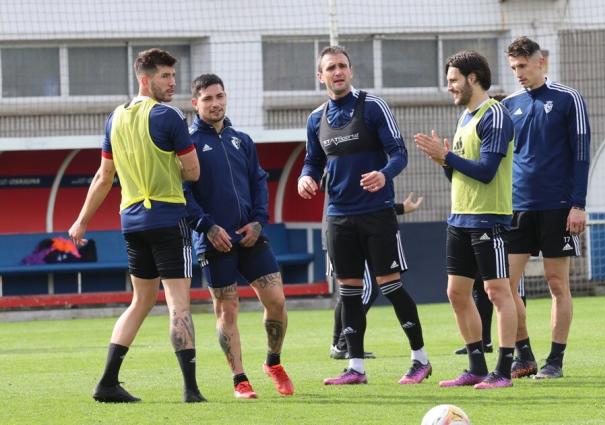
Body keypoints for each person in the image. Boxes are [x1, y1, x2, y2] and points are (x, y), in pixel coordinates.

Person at [68, 48, 204, 403]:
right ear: (146, 79)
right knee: (179, 305)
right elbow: (192, 171)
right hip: (168, 218)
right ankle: (190, 390)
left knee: (140, 301)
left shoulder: (114, 119)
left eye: (173, 76)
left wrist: (81, 221)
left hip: (131, 223)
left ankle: (108, 382)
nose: (172, 82)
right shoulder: (168, 116)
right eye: (165, 76)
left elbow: (103, 176)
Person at [298, 45, 431, 385]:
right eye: (331, 68)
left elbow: (399, 153)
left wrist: (384, 174)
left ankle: (420, 360)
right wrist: (305, 177)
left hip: (376, 214)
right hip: (338, 217)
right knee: (349, 292)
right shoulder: (316, 119)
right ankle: (355, 367)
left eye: (342, 66)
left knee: (390, 286)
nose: (337, 72)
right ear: (320, 76)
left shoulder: (372, 106)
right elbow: (313, 160)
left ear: (351, 71)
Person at [184, 74, 294, 399]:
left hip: (250, 236)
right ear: (195, 104)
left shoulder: (241, 140)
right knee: (227, 309)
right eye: (208, 99)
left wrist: (259, 221)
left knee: (276, 301)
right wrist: (208, 227)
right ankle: (239, 379)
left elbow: (259, 182)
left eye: (220, 96)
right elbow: (182, 195)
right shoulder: (187, 145)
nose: (215, 103)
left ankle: (273, 362)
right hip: (213, 242)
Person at [414, 49, 517, 389]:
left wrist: (448, 157)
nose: (450, 87)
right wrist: (445, 162)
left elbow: (486, 172)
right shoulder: (465, 119)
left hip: (488, 219)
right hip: (460, 218)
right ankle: (475, 367)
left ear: (473, 78)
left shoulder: (495, 114)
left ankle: (503, 370)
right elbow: (460, 177)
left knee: (497, 291)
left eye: (453, 80)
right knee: (456, 293)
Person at [502, 36, 591, 379]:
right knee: (504, 285)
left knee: (557, 284)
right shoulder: (508, 104)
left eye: (523, 66)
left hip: (558, 208)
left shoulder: (568, 99)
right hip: (518, 207)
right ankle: (523, 354)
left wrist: (578, 205)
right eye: (513, 68)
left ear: (542, 62)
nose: (518, 73)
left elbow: (581, 153)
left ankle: (555, 360)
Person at [329, 192, 423, 360]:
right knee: (363, 290)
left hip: (337, 229)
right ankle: (344, 345)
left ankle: (339, 345)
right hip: (347, 230)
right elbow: (360, 202)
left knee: (349, 292)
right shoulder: (339, 172)